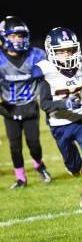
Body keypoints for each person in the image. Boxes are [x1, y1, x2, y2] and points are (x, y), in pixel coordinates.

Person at [36, 27, 82, 211]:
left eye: (69, 50)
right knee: (74, 167)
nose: (66, 54)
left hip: (79, 121)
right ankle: (72, 167)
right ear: (51, 52)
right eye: (61, 51)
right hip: (59, 125)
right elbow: (45, 104)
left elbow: (79, 86)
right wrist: (65, 105)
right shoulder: (46, 72)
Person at [0, 16, 52, 189]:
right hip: (8, 108)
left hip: (30, 106)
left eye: (21, 36)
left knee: (34, 144)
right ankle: (21, 177)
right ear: (4, 36)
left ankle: (39, 165)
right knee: (15, 146)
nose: (18, 39)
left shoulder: (36, 55)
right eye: (14, 36)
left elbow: (50, 77)